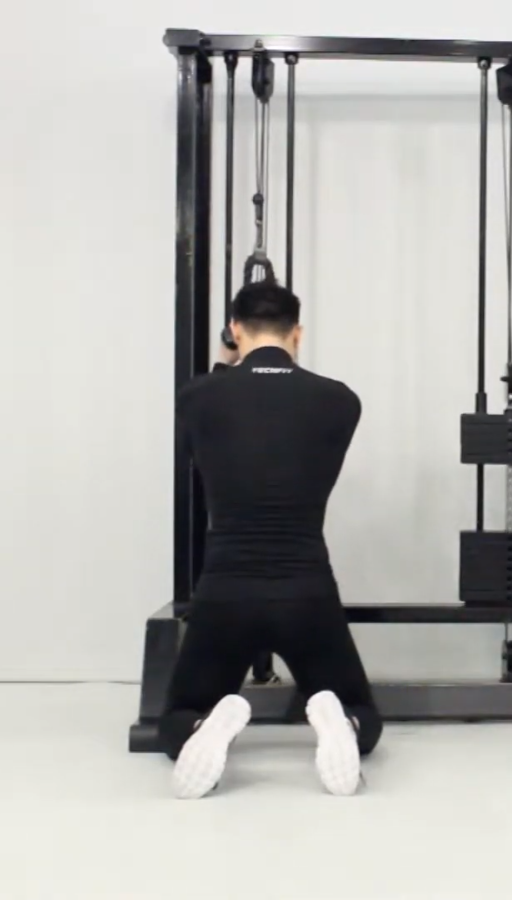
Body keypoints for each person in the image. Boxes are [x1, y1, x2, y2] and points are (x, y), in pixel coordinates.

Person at [162, 281, 382, 799]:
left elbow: (219, 408)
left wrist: (227, 363)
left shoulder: (196, 397)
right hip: (306, 591)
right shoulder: (340, 401)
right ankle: (339, 723)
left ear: (234, 330)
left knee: (175, 720)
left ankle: (206, 726)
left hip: (225, 592)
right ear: (297, 334)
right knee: (364, 717)